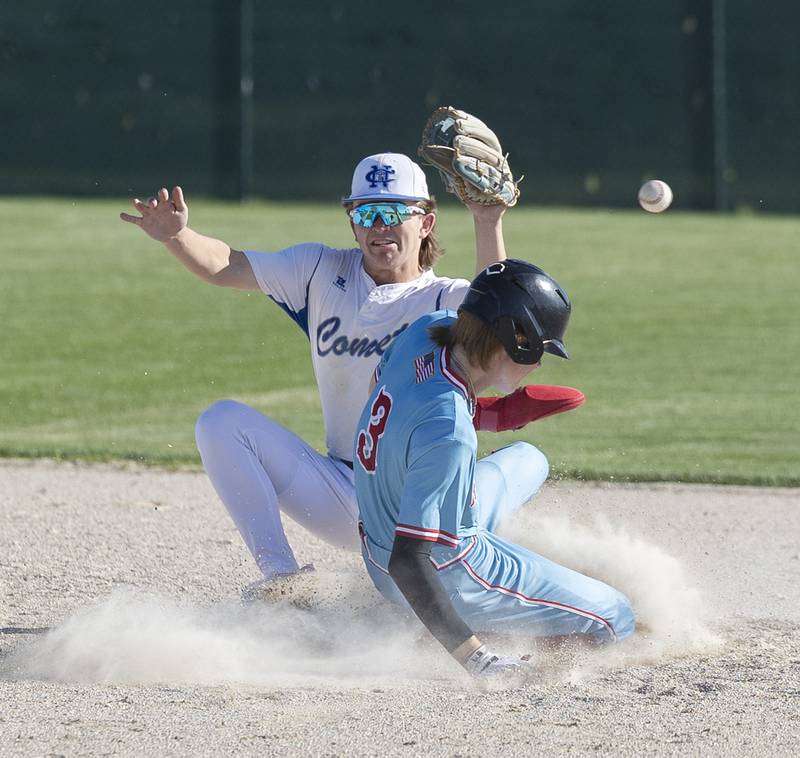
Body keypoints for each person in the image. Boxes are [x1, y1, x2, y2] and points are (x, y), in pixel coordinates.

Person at [120, 153, 576, 591]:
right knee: (220, 422)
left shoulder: (445, 299)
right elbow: (228, 266)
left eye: (393, 211)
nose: (379, 225)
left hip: (427, 498)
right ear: (352, 222)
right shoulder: (319, 270)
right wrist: (176, 237)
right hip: (346, 495)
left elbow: (496, 307)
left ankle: (471, 556)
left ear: (426, 221)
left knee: (530, 459)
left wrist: (487, 221)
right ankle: (284, 583)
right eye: (366, 212)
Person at [353, 260, 635, 677]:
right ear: (515, 339)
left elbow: (401, 404)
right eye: (539, 349)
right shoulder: (449, 433)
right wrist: (475, 658)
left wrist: (493, 415)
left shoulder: (427, 330)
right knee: (616, 618)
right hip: (444, 567)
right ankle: (471, 626)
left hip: (379, 525)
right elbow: (409, 561)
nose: (539, 364)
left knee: (530, 458)